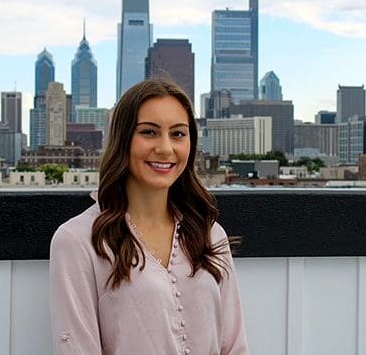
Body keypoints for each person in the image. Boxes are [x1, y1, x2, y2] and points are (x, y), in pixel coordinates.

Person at [50, 79, 248, 355]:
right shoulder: (79, 241)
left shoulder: (211, 234)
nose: (166, 148)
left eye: (178, 134)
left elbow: (234, 345)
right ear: (123, 139)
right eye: (149, 132)